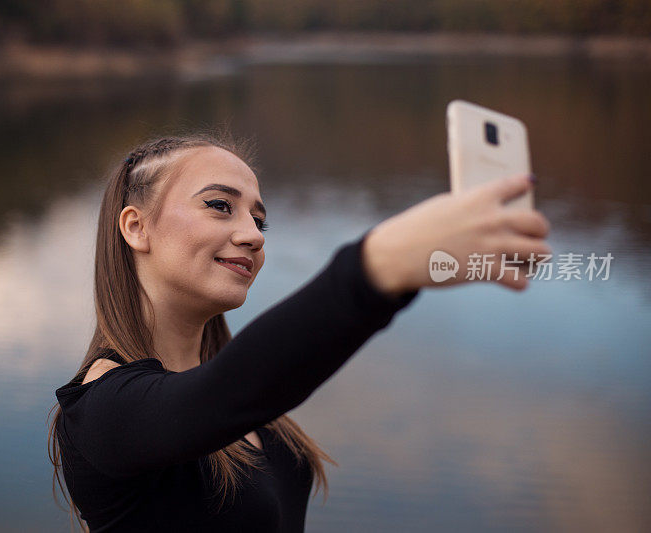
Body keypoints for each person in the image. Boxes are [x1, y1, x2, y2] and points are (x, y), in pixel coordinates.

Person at [48, 133, 551, 532]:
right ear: (136, 227)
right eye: (220, 205)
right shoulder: (102, 411)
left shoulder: (239, 397)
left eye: (259, 220)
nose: (251, 235)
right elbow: (228, 393)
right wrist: (382, 265)